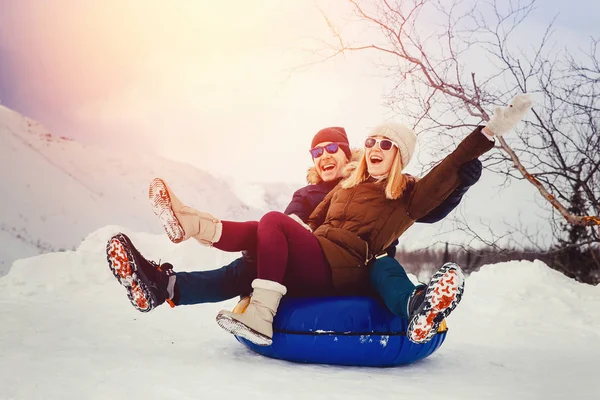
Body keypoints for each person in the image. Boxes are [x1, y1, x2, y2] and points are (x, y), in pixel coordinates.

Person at [108, 93, 531, 345]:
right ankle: (171, 266)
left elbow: (438, 189)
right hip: (309, 257)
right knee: (256, 250)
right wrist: (287, 233)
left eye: (386, 143)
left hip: (354, 264)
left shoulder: (403, 192)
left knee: (280, 230)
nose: (376, 147)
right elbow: (298, 227)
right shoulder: (330, 192)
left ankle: (415, 308)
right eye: (372, 141)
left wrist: (484, 139)